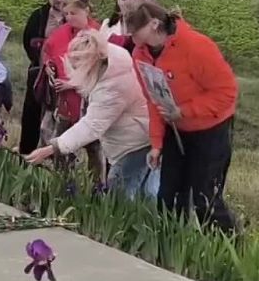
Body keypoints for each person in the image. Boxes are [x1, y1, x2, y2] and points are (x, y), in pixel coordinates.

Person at [126, 0, 240, 233]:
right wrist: (156, 144)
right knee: (168, 197)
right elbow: (153, 100)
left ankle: (228, 246)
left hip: (210, 129)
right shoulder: (140, 54)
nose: (130, 35)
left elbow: (227, 92)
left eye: (135, 29)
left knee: (204, 198)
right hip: (175, 129)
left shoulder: (197, 46)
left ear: (154, 24)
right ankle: (171, 244)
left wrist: (184, 111)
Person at [25, 31, 160, 200]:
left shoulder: (113, 88)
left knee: (119, 192)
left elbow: (91, 125)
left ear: (91, 62)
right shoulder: (113, 61)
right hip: (141, 137)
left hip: (134, 144)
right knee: (143, 192)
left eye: (78, 66)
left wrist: (53, 148)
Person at [38, 0, 103, 182]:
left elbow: (102, 70)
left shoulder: (98, 35)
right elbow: (48, 52)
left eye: (73, 13)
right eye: (66, 13)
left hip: (89, 103)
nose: (69, 17)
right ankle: (63, 182)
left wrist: (72, 84)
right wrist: (48, 67)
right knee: (60, 144)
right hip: (65, 103)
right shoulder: (61, 33)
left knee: (93, 147)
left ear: (86, 11)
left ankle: (96, 187)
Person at [18, 0, 71, 154]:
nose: (58, 0)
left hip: (65, 75)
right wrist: (38, 59)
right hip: (40, 71)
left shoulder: (73, 16)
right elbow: (28, 40)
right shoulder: (39, 15)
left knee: (61, 117)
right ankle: (27, 153)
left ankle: (58, 156)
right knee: (32, 113)